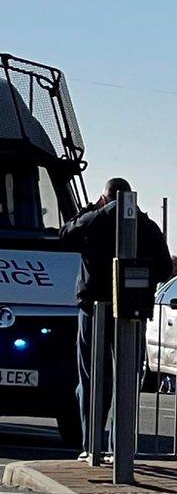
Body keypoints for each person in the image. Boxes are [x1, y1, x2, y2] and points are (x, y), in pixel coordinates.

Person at [60, 178, 172, 462]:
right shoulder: (147, 226)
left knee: (92, 378)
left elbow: (65, 235)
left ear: (105, 196)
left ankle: (91, 445)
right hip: (132, 312)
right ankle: (120, 446)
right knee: (127, 379)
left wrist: (89, 208)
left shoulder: (94, 220)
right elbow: (163, 268)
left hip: (93, 309)